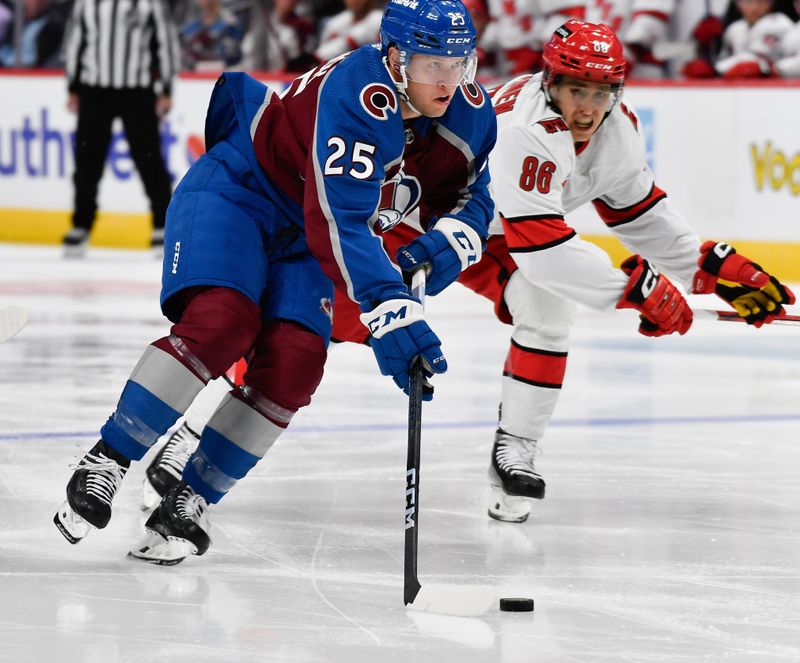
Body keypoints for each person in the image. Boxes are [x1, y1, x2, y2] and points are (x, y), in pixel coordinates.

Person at [54, 0, 497, 564]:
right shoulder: (359, 95)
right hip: (241, 190)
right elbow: (338, 220)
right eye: (432, 64)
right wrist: (389, 309)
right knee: (223, 323)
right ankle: (108, 459)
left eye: (459, 63)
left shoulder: (470, 112)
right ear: (393, 57)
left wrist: (453, 238)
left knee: (294, 363)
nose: (449, 80)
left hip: (304, 224)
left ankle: (190, 500)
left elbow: (473, 195)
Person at [61, 0, 179, 257]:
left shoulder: (150, 3)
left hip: (137, 90)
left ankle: (163, 223)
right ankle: (81, 223)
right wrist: (73, 86)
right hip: (95, 90)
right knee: (87, 160)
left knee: (149, 158)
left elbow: (165, 43)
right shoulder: (87, 3)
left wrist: (167, 88)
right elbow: (75, 42)